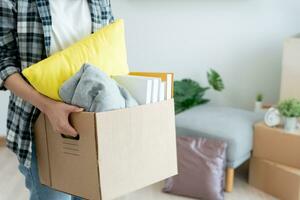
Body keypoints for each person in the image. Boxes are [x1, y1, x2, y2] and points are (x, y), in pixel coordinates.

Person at [0, 0, 114, 199]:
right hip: (39, 120)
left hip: (93, 120)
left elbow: (109, 50)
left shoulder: (100, 1)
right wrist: (48, 106)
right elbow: (3, 60)